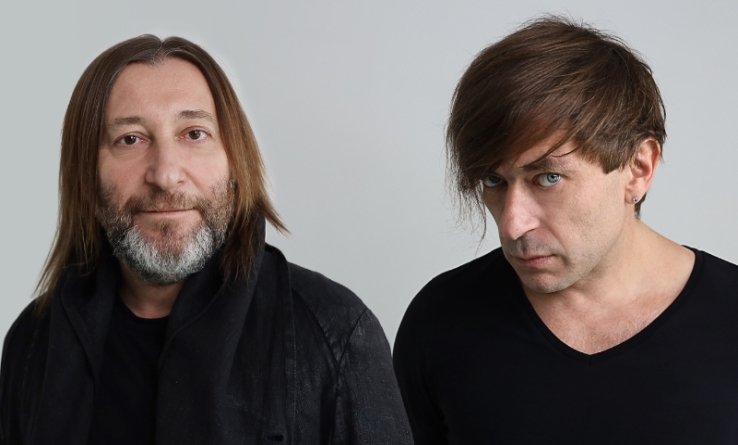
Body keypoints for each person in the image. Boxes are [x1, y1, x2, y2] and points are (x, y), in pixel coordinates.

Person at [0, 35, 411, 445]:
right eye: (131, 139)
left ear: (235, 162)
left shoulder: (336, 333)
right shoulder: (33, 343)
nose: (165, 175)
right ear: (87, 175)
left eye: (194, 133)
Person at [393, 16, 738, 445]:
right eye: (494, 181)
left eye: (548, 178)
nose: (513, 223)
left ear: (638, 168)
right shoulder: (440, 322)